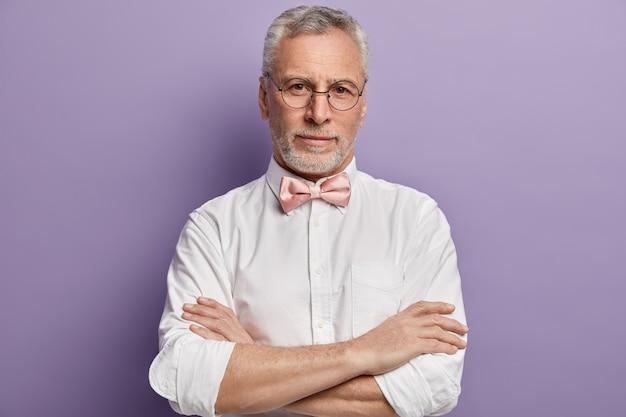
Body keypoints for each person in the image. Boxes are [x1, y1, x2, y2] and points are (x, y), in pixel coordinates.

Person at [149, 5, 468, 417]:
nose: (319, 113)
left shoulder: (417, 220)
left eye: (340, 89)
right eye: (298, 87)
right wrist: (365, 352)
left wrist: (250, 364)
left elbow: (434, 387)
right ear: (266, 98)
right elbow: (186, 378)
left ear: (363, 104)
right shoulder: (212, 228)